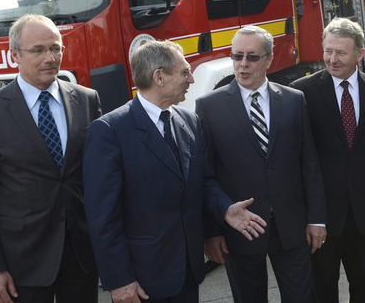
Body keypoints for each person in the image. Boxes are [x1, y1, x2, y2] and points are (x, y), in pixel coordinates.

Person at [83, 40, 267, 303]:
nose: (191, 79)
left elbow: (204, 182)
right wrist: (119, 279)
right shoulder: (110, 131)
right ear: (159, 76)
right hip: (142, 279)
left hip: (187, 273)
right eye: (184, 72)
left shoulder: (188, 120)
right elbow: (103, 216)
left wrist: (225, 210)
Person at [0, 14, 101, 303]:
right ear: (15, 55)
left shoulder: (87, 99)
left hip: (81, 256)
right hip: (21, 264)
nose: (50, 57)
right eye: (38, 50)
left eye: (56, 48)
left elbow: (100, 179)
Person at [196, 25, 328, 302]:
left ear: (269, 60)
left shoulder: (293, 100)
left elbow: (309, 164)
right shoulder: (209, 106)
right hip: (240, 232)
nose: (243, 64)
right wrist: (212, 232)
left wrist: (316, 219)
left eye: (252, 57)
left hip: (291, 228)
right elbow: (205, 176)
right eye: (236, 56)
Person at [289, 18, 365, 303]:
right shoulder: (302, 92)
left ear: (360, 54)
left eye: (340, 52)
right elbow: (297, 157)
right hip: (322, 217)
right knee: (322, 290)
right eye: (328, 51)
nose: (332, 59)